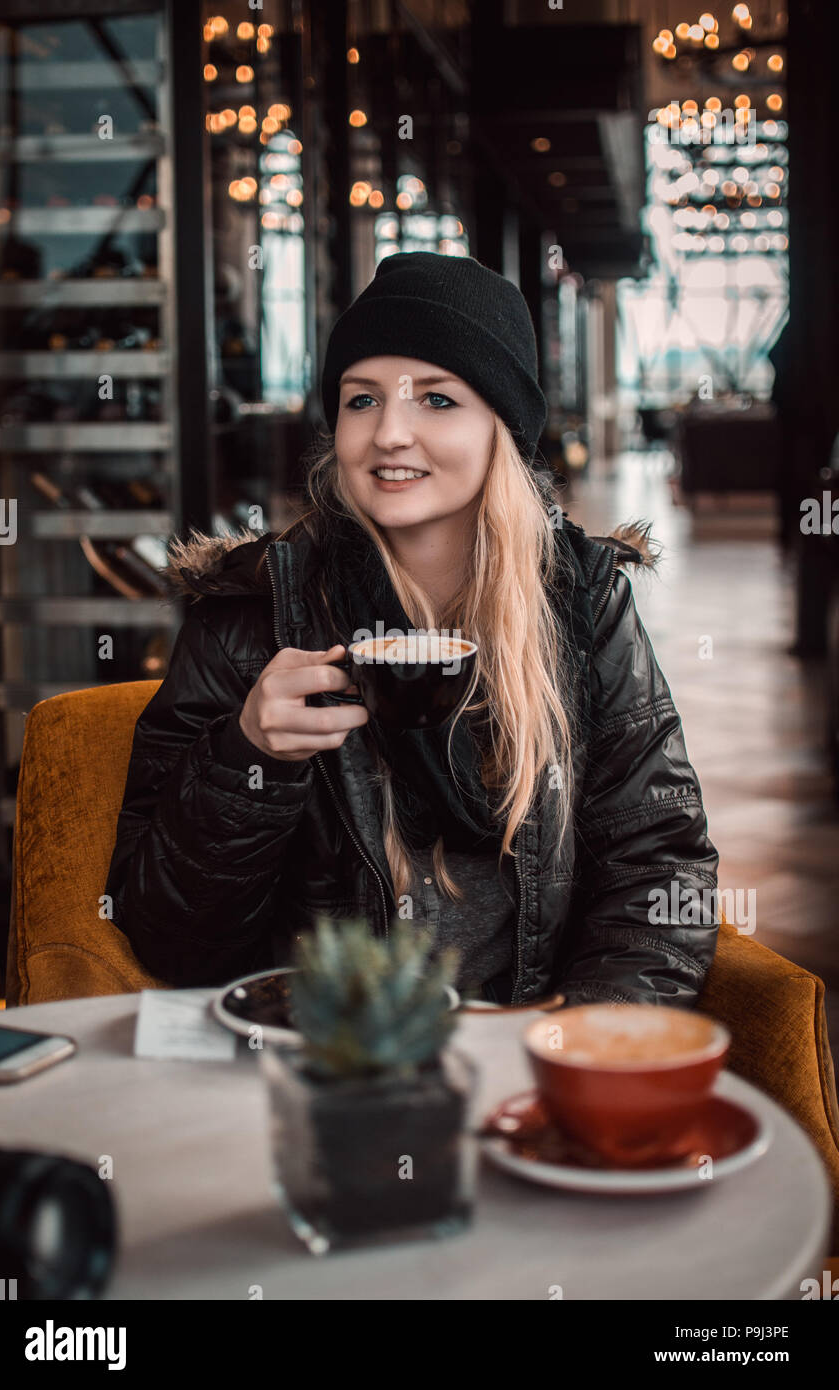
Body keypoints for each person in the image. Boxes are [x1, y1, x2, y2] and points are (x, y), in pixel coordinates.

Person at [104, 252, 720, 1006]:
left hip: (521, 1062)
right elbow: (172, 941)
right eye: (362, 400)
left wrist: (583, 1047)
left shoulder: (583, 603)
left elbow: (658, 868)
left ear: (503, 427)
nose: (390, 433)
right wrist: (248, 759)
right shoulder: (249, 613)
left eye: (436, 399)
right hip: (326, 1061)